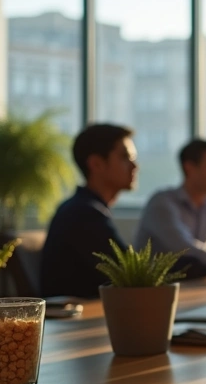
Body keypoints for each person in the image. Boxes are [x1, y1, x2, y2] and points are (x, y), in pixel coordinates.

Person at [41, 124, 137, 298]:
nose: (134, 166)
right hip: (79, 321)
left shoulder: (84, 208)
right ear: (96, 164)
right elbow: (130, 273)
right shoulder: (83, 214)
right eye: (125, 157)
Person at [134, 139, 206, 279]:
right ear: (189, 168)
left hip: (193, 285)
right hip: (155, 291)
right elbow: (186, 248)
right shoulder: (162, 204)